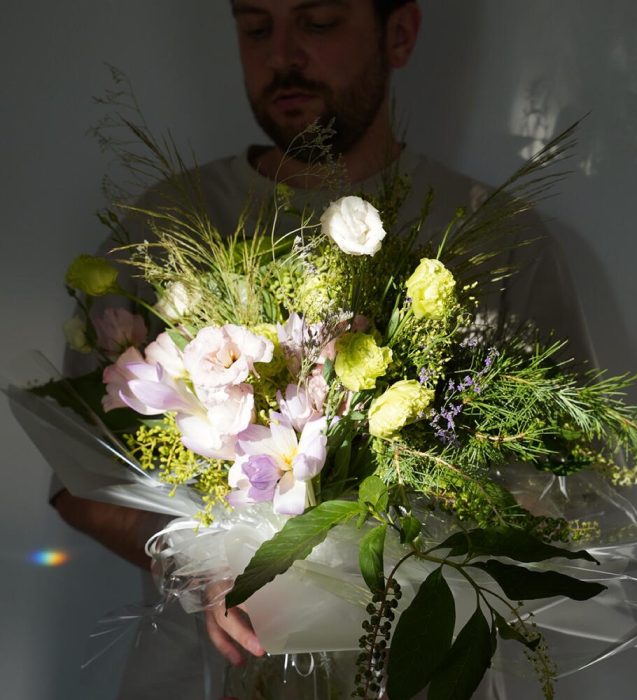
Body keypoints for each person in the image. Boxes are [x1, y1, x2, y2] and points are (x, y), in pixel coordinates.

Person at [51, 0, 592, 697]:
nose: (282, 56)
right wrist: (199, 564)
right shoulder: (166, 228)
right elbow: (78, 479)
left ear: (399, 34)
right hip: (207, 679)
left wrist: (417, 546)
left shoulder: (497, 237)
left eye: (319, 22)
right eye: (256, 28)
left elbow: (569, 477)